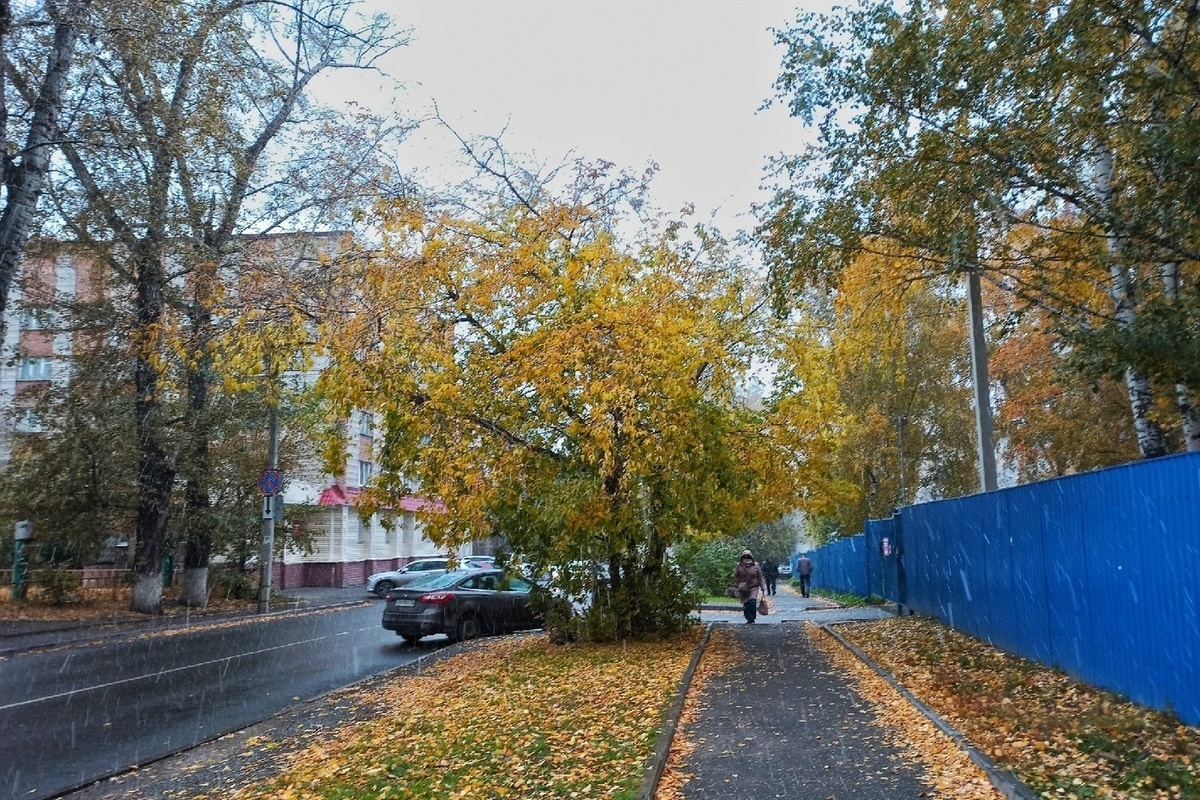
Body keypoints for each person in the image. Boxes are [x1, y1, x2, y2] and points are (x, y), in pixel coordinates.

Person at [734, 549, 765, 623]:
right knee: (746, 604)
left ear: (751, 557)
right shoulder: (739, 565)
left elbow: (760, 576)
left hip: (753, 587)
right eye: (745, 557)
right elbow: (736, 576)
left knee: (752, 601)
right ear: (742, 558)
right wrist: (738, 585)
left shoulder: (756, 565)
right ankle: (747, 617)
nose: (747, 559)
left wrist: (762, 586)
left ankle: (752, 618)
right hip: (743, 588)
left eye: (748, 557)